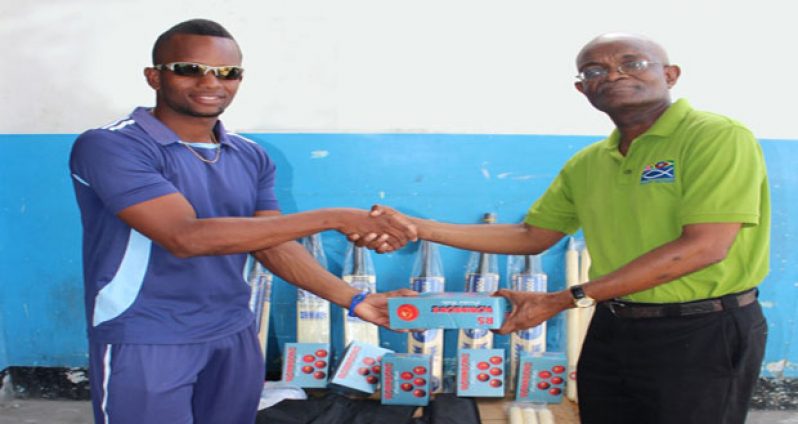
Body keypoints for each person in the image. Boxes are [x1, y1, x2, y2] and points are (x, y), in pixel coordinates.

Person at [368, 33, 769, 424]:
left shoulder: (715, 137)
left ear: (671, 75)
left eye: (632, 63)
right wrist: (417, 227)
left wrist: (565, 298)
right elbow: (533, 236)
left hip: (702, 329)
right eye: (595, 70)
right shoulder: (590, 162)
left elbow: (704, 247)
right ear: (583, 90)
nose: (612, 75)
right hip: (614, 324)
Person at [69, 19, 416, 424]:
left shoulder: (249, 154)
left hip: (233, 330)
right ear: (154, 76)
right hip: (149, 335)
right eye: (189, 68)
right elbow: (184, 237)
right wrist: (332, 217)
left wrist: (355, 300)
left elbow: (271, 243)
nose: (210, 82)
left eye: (227, 72)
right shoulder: (113, 144)